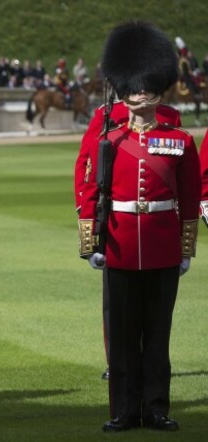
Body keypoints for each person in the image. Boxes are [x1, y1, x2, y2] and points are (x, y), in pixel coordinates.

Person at [77, 21, 200, 433]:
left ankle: (157, 408)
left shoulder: (180, 141)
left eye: (145, 86)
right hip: (120, 245)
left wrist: (186, 249)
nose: (139, 94)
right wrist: (89, 243)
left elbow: (187, 201)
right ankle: (124, 411)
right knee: (124, 339)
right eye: (133, 87)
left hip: (163, 248)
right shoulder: (110, 141)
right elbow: (94, 193)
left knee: (158, 337)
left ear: (157, 89)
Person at [75, 94, 181, 382]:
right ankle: (117, 363)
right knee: (117, 306)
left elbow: (178, 179)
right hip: (118, 224)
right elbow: (87, 166)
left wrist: (183, 239)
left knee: (156, 311)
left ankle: (150, 365)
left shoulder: (169, 116)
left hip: (158, 230)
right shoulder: (107, 114)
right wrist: (89, 235)